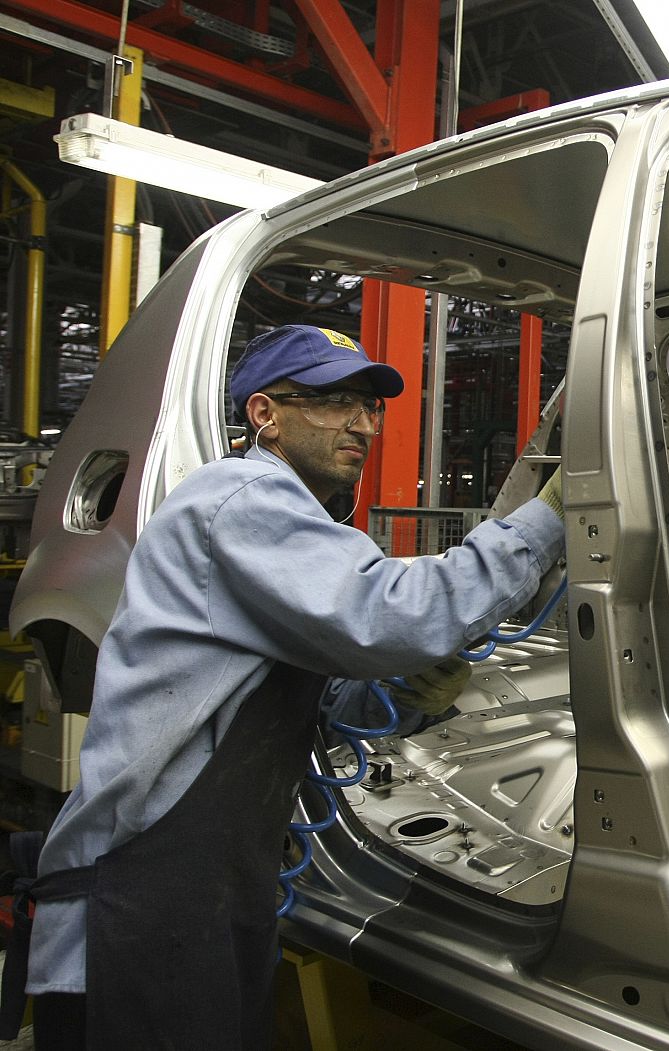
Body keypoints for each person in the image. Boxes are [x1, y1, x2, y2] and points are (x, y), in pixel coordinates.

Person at [5, 325, 566, 1051]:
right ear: (265, 413)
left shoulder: (295, 522)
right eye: (335, 402)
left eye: (370, 407)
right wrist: (550, 516)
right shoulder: (240, 498)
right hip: (139, 905)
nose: (362, 423)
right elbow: (395, 613)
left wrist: (402, 696)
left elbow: (308, 701)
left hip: (210, 893)